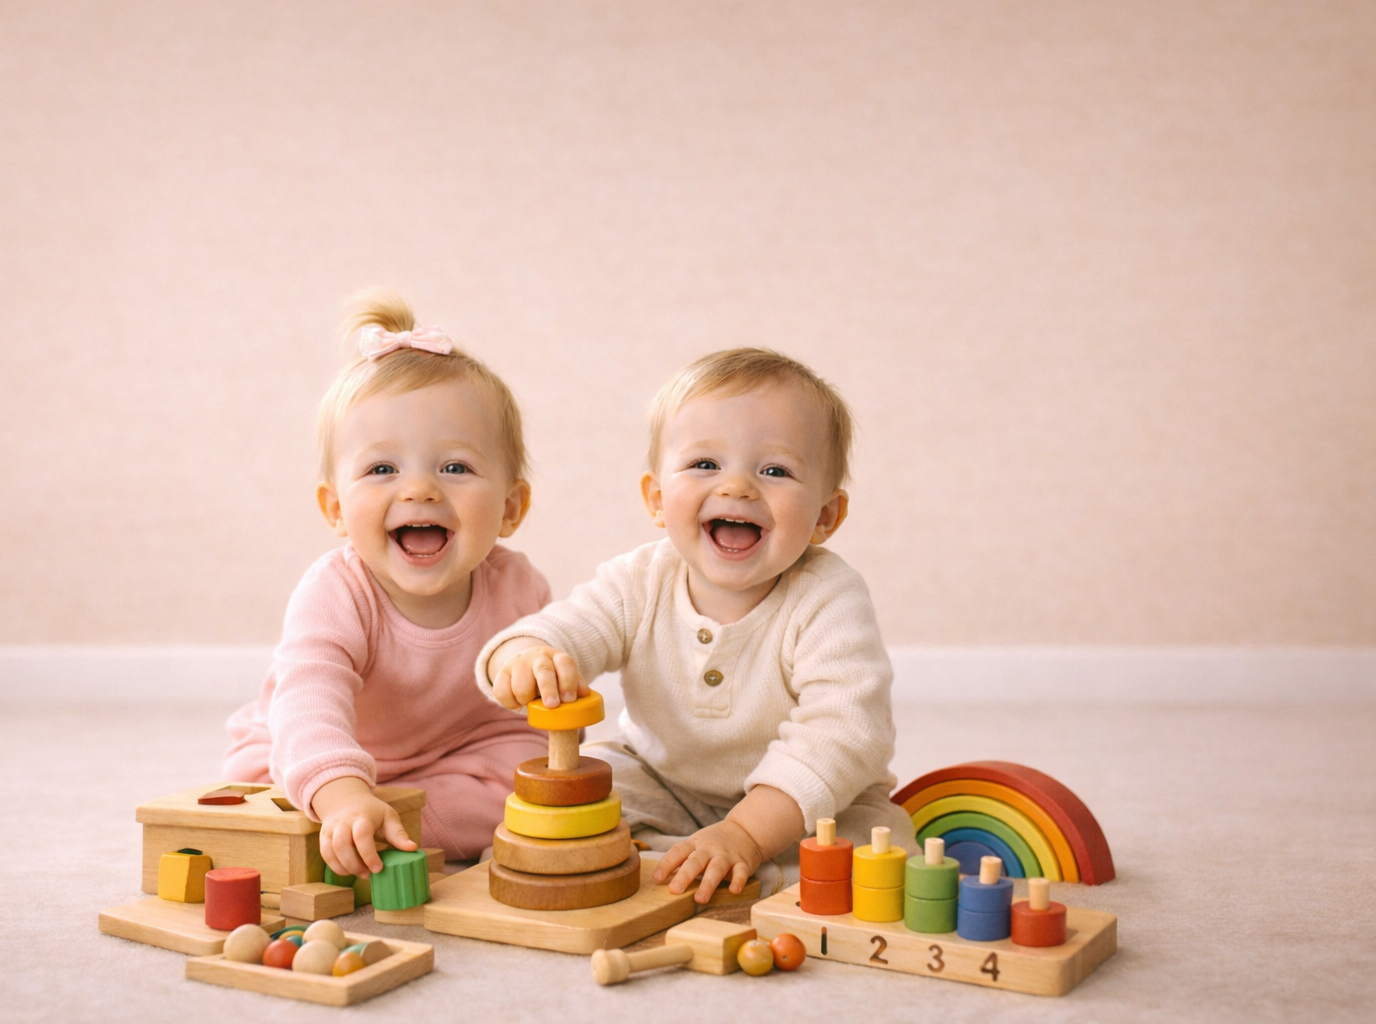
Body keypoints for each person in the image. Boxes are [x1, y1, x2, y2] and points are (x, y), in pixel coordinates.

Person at [477, 347, 916, 902]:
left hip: (802, 802)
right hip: (666, 780)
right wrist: (524, 656)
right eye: (705, 465)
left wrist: (746, 832)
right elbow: (565, 627)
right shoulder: (640, 579)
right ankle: (685, 862)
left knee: (877, 854)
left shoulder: (828, 598)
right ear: (658, 499)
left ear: (825, 517)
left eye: (775, 471)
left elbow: (845, 734)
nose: (737, 488)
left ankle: (738, 866)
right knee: (567, 815)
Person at [224, 289, 548, 877]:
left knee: (534, 779)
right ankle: (358, 816)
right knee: (263, 785)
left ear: (510, 506)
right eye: (381, 470)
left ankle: (395, 822)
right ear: (335, 509)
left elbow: (519, 724)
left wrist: (547, 672)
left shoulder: (519, 589)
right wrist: (341, 792)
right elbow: (309, 699)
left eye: (455, 467)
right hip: (321, 746)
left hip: (455, 755)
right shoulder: (335, 591)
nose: (419, 489)